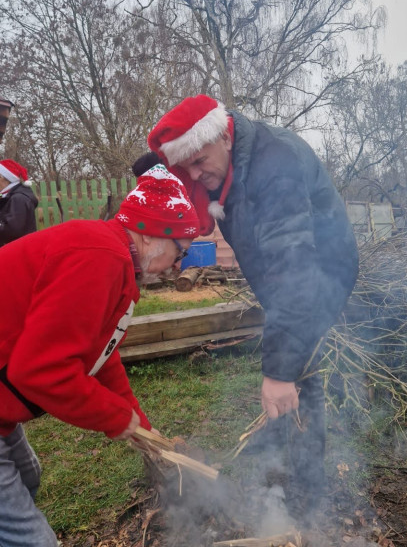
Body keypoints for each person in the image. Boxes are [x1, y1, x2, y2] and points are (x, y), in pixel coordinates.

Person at [0, 164, 199, 547]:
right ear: (150, 234)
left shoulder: (113, 259)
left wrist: (144, 431)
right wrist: (115, 420)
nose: (180, 265)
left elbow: (99, 358)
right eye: (180, 251)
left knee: (28, 477)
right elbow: (40, 372)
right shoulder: (97, 256)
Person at [145, 95, 359, 514]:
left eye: (198, 160)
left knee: (300, 367)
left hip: (321, 274)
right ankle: (279, 435)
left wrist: (278, 373)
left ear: (224, 136)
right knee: (286, 353)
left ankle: (309, 487)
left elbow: (294, 272)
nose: (194, 174)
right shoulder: (224, 163)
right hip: (282, 276)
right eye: (185, 165)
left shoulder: (275, 164)